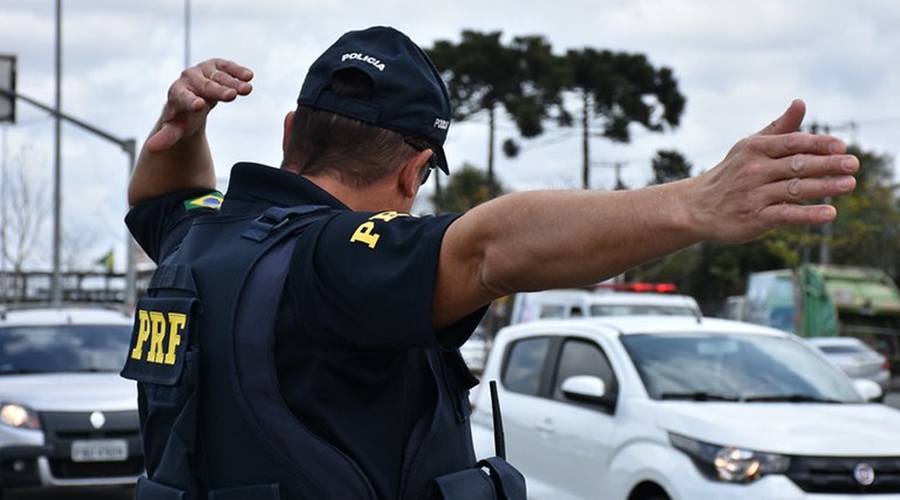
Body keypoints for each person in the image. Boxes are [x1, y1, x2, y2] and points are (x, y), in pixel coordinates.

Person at [122, 26, 858, 500]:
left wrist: (177, 124)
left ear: (291, 131)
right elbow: (492, 248)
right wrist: (695, 205)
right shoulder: (337, 262)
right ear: (413, 172)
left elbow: (167, 193)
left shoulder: (203, 243)